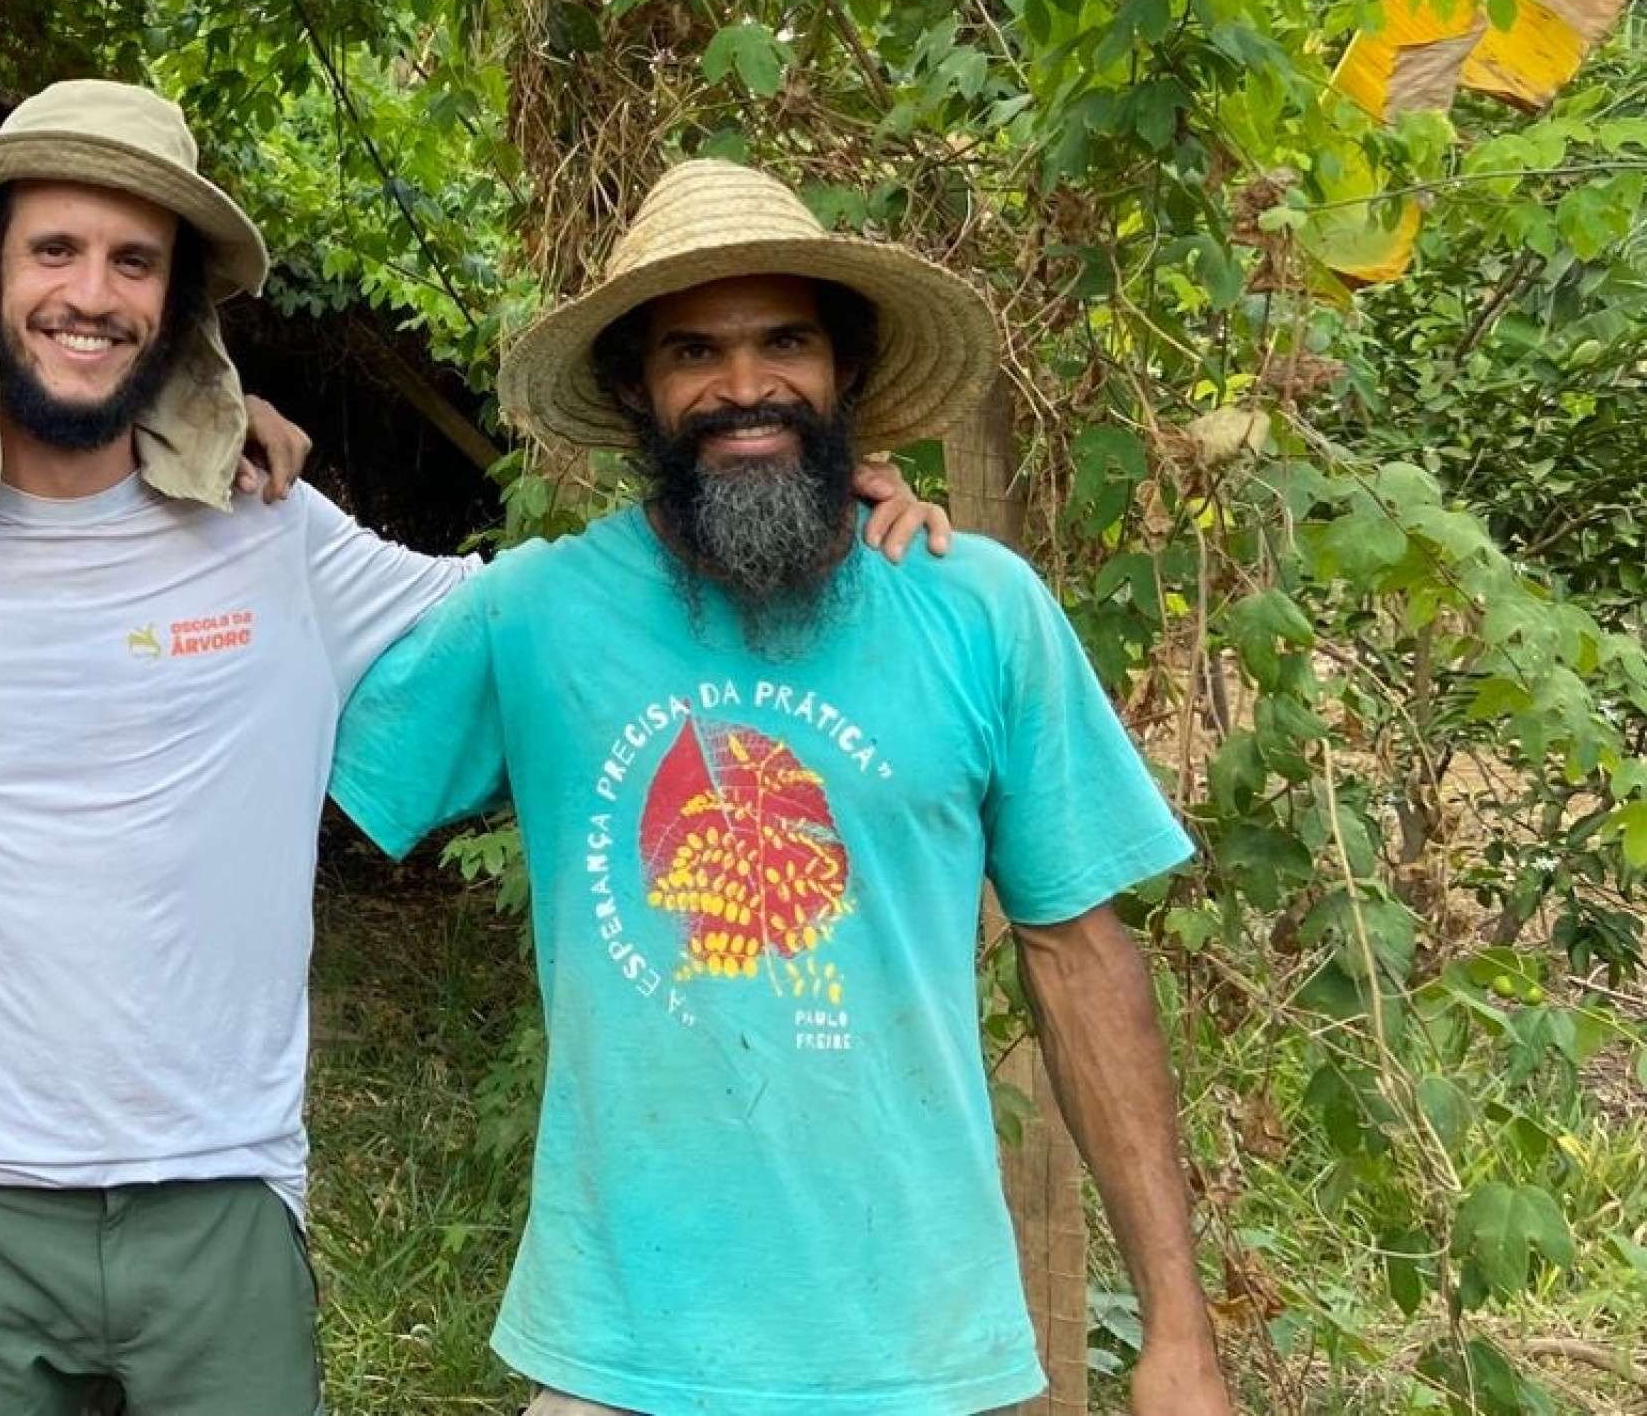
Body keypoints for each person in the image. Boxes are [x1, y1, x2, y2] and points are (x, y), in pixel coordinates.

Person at [0, 93, 951, 1415]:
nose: (92, 294)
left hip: (226, 1191)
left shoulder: (274, 534)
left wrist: (794, 491)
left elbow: (568, 616)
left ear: (177, 306)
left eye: (135, 262)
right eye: (53, 249)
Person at [327, 159, 1224, 1416]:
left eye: (784, 342)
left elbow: (1078, 954)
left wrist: (1180, 1333)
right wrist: (213, 459)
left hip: (920, 1356)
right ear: (635, 389)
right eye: (693, 350)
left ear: (845, 369)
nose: (744, 386)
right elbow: (262, 741)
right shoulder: (536, 613)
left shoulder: (977, 608)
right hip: (622, 1357)